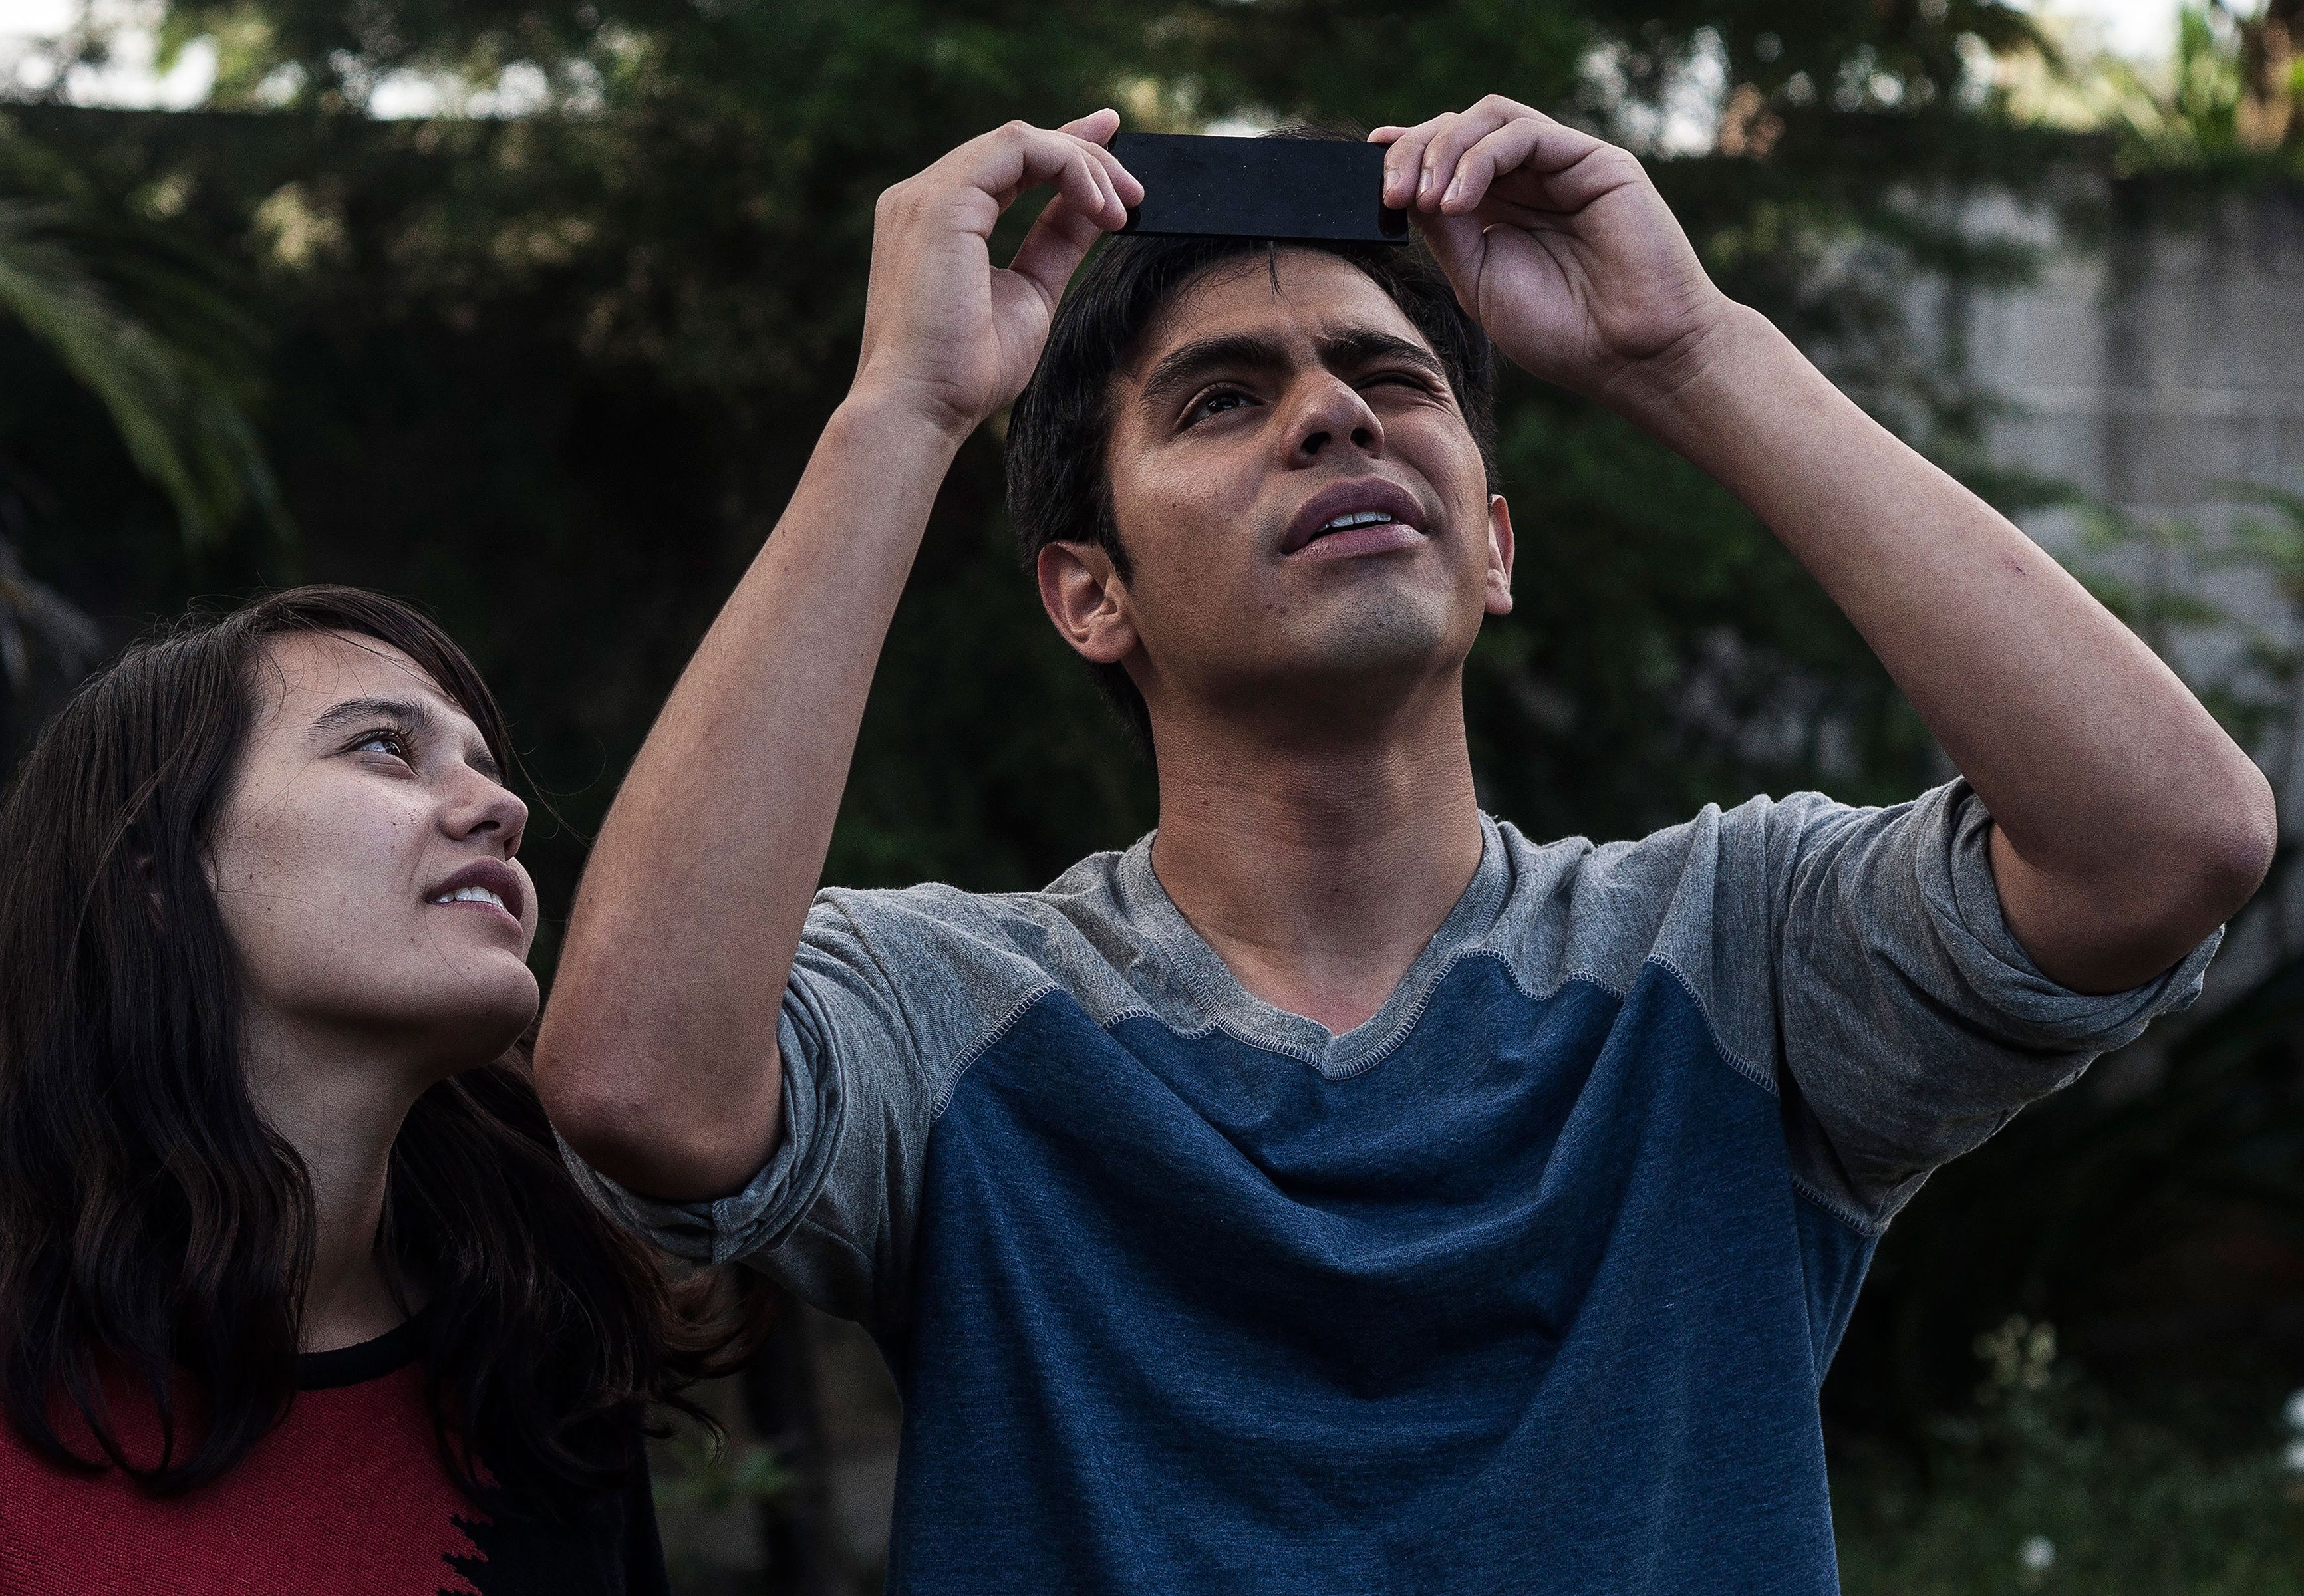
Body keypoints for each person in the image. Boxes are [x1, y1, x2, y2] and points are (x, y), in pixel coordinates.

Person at [530, 100, 2277, 1591]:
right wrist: (899, 414)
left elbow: (2169, 841)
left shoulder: (1730, 954)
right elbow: (639, 1088)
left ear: (1493, 545)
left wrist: (1692, 349)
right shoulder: (959, 1013)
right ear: (1087, 593)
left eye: (1387, 378)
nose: (1334, 413)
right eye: (1220, 398)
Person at [0, 586, 726, 1595]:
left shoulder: (545, 1384)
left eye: (489, 768)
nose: (499, 808)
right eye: (385, 747)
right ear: (162, 885)